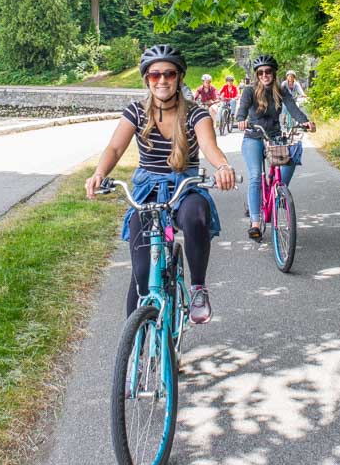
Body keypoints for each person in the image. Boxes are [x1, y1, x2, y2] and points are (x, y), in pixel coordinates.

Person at [85, 44, 237, 324]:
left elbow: (209, 146)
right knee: (141, 275)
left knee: (195, 216)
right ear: (147, 79)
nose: (162, 80)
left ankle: (198, 288)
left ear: (179, 77)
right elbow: (115, 149)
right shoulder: (136, 112)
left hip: (185, 185)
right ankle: (135, 347)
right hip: (147, 189)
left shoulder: (196, 114)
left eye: (169, 73)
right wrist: (99, 173)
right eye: (155, 75)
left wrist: (223, 167)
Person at [236, 54, 315, 241]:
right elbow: (242, 109)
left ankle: (279, 192)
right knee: (256, 176)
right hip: (253, 137)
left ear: (274, 73)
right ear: (257, 75)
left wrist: (305, 122)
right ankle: (255, 223)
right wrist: (241, 120)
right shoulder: (249, 91)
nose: (265, 75)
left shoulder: (280, 90)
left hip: (274, 137)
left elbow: (293, 108)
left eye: (268, 71)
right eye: (261, 72)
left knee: (291, 157)